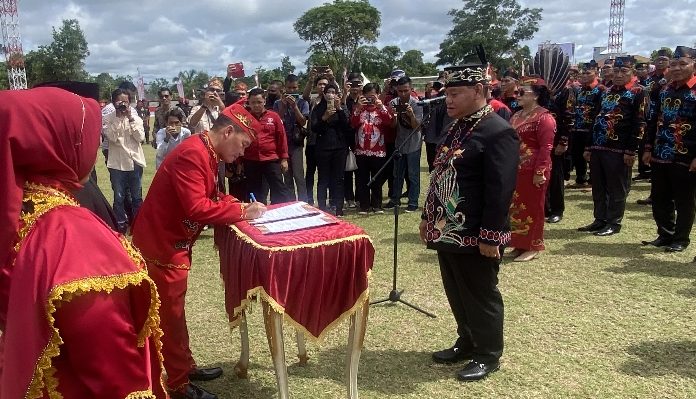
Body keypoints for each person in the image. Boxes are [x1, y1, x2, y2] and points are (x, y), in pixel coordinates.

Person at [0, 87, 166, 398]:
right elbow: (109, 361)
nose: (95, 146)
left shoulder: (15, 212)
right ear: (61, 145)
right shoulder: (69, 233)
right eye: (90, 136)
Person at [131, 103, 267, 399]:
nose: (242, 153)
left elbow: (213, 196)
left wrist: (237, 205)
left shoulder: (206, 150)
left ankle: (185, 366)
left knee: (175, 314)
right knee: (169, 315)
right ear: (228, 131)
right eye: (243, 144)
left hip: (172, 244)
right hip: (161, 248)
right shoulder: (194, 152)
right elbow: (198, 207)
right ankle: (178, 385)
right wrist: (244, 211)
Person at [420, 49, 519, 381]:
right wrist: (427, 217)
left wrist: (492, 236)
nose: (447, 99)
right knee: (457, 289)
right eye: (446, 93)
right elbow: (439, 174)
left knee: (480, 292)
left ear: (478, 91)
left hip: (476, 232)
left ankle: (488, 353)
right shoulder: (458, 127)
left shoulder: (497, 131)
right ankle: (467, 340)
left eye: (455, 93)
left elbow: (500, 190)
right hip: (448, 229)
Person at [578, 56, 645, 236]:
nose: (619, 74)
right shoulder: (606, 91)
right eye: (616, 71)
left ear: (632, 72)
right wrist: (588, 146)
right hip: (599, 147)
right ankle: (599, 219)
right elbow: (595, 118)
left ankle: (613, 222)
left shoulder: (638, 92)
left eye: (624, 71)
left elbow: (639, 123)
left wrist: (631, 150)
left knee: (617, 187)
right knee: (598, 186)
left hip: (619, 149)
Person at [641, 46, 696, 253]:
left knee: (684, 200)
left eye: (683, 64)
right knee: (660, 196)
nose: (677, 68)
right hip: (660, 152)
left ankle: (681, 239)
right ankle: (665, 234)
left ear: (694, 65)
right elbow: (654, 119)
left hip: (686, 155)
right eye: (674, 64)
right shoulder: (664, 89)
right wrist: (648, 147)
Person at [507, 77, 555, 261]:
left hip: (533, 170)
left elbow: (546, 148)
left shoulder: (545, 118)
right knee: (516, 206)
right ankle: (519, 243)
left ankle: (533, 245)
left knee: (533, 207)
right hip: (515, 169)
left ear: (535, 95)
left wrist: (539, 172)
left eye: (522, 92)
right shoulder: (516, 115)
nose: (517, 95)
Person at [104, 88, 146, 233]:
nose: (123, 105)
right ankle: (120, 224)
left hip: (134, 161)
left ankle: (139, 223)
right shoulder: (107, 118)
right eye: (120, 101)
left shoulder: (136, 117)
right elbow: (112, 137)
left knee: (136, 196)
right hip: (117, 163)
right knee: (119, 197)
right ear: (114, 102)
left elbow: (140, 138)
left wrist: (130, 118)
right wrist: (117, 117)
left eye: (126, 102)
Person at [242, 88, 291, 204]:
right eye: (253, 102)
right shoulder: (244, 118)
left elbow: (281, 138)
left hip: (270, 159)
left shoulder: (273, 117)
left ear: (264, 101)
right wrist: (240, 162)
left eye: (259, 102)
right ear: (248, 102)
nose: (256, 105)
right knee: (255, 190)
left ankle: (281, 210)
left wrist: (284, 159)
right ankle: (259, 213)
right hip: (251, 160)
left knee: (279, 188)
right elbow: (240, 140)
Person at [351, 82, 393, 214]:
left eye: (373, 97)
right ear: (363, 96)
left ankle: (376, 205)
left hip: (378, 151)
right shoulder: (359, 109)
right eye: (367, 97)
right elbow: (352, 123)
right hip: (361, 150)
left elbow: (389, 122)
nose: (370, 100)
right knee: (362, 179)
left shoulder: (382, 109)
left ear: (378, 96)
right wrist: (358, 108)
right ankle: (364, 205)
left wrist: (381, 107)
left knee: (377, 179)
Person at [311, 82, 351, 216]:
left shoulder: (341, 108)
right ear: (324, 94)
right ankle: (322, 208)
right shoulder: (318, 108)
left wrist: (339, 109)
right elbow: (314, 128)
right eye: (328, 92)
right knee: (323, 179)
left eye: (333, 92)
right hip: (323, 148)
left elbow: (347, 127)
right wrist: (324, 118)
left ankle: (339, 208)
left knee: (339, 179)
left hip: (339, 148)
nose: (331, 95)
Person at [385, 76, 424, 212]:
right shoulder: (393, 103)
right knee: (397, 174)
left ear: (411, 89)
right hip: (399, 143)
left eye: (405, 90)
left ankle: (413, 201)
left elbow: (418, 127)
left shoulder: (417, 104)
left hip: (414, 144)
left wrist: (411, 115)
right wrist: (394, 116)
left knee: (413, 174)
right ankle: (395, 199)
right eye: (400, 91)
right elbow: (392, 126)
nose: (402, 94)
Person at [274, 74, 310, 202]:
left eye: (294, 87)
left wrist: (295, 107)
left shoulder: (302, 102)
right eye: (289, 88)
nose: (292, 91)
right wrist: (283, 106)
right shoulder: (278, 103)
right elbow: (276, 121)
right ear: (285, 87)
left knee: (299, 176)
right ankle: (291, 203)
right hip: (282, 144)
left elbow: (303, 122)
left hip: (296, 144)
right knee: (287, 176)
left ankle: (304, 203)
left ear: (298, 87)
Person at [569, 61, 603, 188]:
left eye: (588, 73)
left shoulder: (601, 90)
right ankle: (580, 179)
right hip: (578, 127)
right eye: (583, 73)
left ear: (596, 74)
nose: (584, 75)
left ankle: (593, 181)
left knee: (591, 156)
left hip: (592, 128)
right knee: (578, 154)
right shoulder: (579, 90)